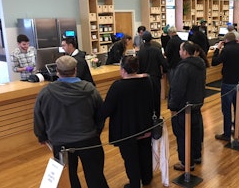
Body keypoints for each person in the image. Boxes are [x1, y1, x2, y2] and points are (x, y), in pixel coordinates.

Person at [33, 55, 109, 188]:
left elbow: (38, 116)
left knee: (68, 178)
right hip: (89, 139)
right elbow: (101, 114)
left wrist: (41, 136)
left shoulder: (45, 93)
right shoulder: (90, 89)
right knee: (95, 175)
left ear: (57, 71)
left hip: (61, 142)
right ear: (75, 70)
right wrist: (97, 130)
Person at [99, 56, 153, 188]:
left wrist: (96, 120)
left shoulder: (118, 86)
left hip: (126, 129)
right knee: (145, 153)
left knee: (130, 158)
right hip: (145, 125)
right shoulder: (147, 81)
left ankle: (135, 184)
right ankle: (146, 179)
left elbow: (107, 109)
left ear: (123, 70)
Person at [169, 41, 206, 171]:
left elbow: (177, 89)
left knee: (183, 135)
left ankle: (186, 162)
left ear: (185, 52)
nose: (179, 52)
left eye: (180, 50)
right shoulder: (200, 64)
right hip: (196, 104)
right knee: (195, 133)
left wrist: (173, 106)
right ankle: (196, 156)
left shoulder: (183, 67)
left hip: (184, 107)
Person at [212, 32, 239, 141]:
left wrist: (218, 49)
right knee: (237, 108)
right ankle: (237, 130)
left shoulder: (226, 50)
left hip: (228, 82)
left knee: (226, 109)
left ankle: (226, 134)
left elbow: (214, 62)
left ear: (225, 41)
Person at [137, 31, 168, 118]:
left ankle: (147, 116)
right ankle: (157, 116)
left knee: (146, 99)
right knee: (156, 99)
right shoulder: (156, 51)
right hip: (155, 77)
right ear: (151, 40)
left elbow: (138, 66)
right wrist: (165, 71)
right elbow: (163, 63)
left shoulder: (140, 52)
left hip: (144, 78)